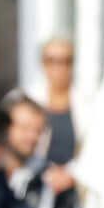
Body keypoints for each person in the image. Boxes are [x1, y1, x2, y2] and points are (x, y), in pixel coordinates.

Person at [2, 95, 79, 208]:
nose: (32, 137)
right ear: (5, 127)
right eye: (24, 128)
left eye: (38, 131)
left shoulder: (51, 179)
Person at [29, 35, 81, 165]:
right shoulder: (27, 99)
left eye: (66, 61)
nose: (59, 67)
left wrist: (72, 174)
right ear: (42, 63)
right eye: (51, 60)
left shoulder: (88, 104)